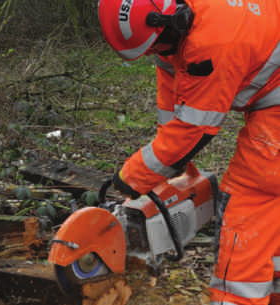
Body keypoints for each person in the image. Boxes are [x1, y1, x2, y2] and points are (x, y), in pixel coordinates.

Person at [98, 0, 280, 304]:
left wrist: (130, 177)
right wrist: (167, 167)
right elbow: (172, 100)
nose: (158, 52)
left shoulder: (212, 41)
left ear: (174, 20)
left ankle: (234, 299)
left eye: (159, 45)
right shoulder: (172, 33)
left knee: (252, 195)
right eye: (153, 49)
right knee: (272, 205)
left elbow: (195, 131)